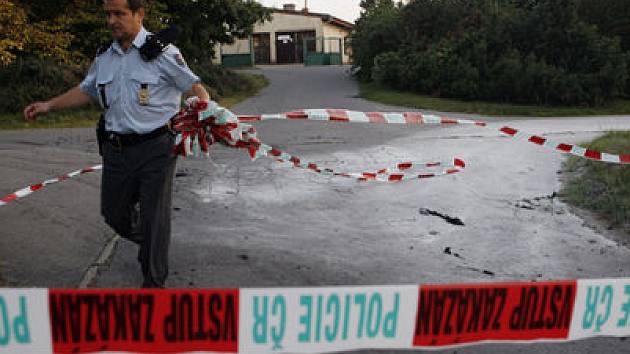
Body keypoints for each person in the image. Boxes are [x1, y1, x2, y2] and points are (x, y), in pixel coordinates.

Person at [23, 0, 211, 288]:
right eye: (108, 14)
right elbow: (86, 91)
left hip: (157, 148)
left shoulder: (164, 53)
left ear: (139, 14)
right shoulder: (104, 57)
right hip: (116, 149)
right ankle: (149, 243)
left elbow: (195, 88)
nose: (111, 20)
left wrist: (204, 113)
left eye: (119, 14)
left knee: (154, 218)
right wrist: (49, 105)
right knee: (114, 214)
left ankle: (153, 284)